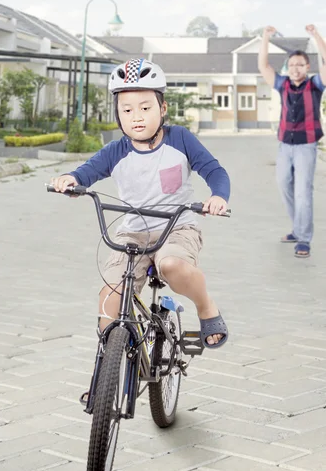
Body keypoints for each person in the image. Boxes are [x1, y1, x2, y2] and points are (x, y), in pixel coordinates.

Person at [51, 58, 230, 348]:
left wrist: (218, 196)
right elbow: (86, 172)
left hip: (177, 228)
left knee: (172, 265)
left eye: (145, 108)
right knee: (110, 297)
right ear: (118, 114)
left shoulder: (180, 139)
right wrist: (70, 179)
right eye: (127, 109)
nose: (137, 116)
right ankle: (103, 383)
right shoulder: (116, 150)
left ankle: (206, 306)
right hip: (132, 232)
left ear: (162, 109)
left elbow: (214, 171)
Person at [258, 24, 326, 258]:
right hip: (285, 145)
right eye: (291, 65)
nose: (295, 68)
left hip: (306, 146)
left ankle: (304, 239)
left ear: (307, 67)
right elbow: (263, 65)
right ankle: (297, 228)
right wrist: (265, 38)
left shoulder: (315, 85)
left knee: (303, 192)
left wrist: (316, 36)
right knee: (284, 186)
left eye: (300, 64)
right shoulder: (282, 84)